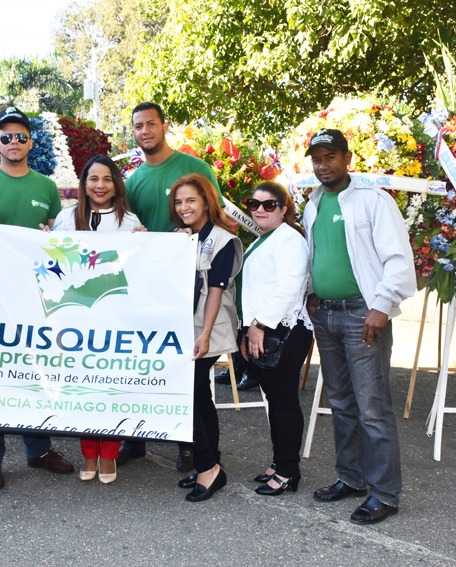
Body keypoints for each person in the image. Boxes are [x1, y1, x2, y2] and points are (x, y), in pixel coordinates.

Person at [303, 128, 416, 524]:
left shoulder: (373, 201)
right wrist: (312, 295)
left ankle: (384, 493)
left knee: (372, 407)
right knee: (341, 403)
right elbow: (315, 255)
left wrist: (381, 306)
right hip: (327, 314)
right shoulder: (313, 203)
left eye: (330, 157)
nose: (323, 165)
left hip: (361, 315)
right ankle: (351, 478)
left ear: (347, 158)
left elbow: (399, 259)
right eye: (317, 159)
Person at [0, 105, 74, 490]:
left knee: (34, 370)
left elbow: (56, 239)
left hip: (35, 296)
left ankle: (38, 450)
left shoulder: (45, 187)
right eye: (6, 137)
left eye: (21, 136)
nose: (13, 142)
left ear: (30, 142)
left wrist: (48, 233)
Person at [119, 101, 223, 472]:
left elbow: (216, 222)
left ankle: (190, 446)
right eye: (137, 126)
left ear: (164, 126)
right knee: (140, 365)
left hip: (190, 288)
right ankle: (135, 439)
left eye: (151, 124)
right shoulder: (131, 182)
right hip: (146, 288)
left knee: (187, 374)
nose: (144, 131)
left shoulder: (194, 168)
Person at [49, 154, 143, 484]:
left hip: (116, 319)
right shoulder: (65, 218)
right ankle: (88, 453)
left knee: (111, 387)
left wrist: (146, 244)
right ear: (84, 185)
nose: (100, 185)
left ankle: (110, 455)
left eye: (106, 179)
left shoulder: (131, 222)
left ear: (116, 185)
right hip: (75, 320)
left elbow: (142, 268)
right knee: (82, 388)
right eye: (93, 179)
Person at [170, 173, 242, 502]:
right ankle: (212, 464)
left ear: (206, 201)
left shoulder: (222, 240)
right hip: (186, 327)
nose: (184, 207)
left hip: (207, 328)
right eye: (179, 201)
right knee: (199, 394)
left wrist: (206, 335)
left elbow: (216, 291)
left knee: (189, 394)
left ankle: (207, 467)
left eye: (191, 200)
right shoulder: (183, 237)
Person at [239, 181, 313, 497]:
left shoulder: (289, 240)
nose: (260, 210)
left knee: (283, 402)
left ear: (283, 209)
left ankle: (287, 471)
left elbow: (288, 287)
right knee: (275, 401)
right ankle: (279, 462)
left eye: (269, 205)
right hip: (265, 328)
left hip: (283, 330)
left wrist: (258, 325)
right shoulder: (266, 238)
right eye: (254, 204)